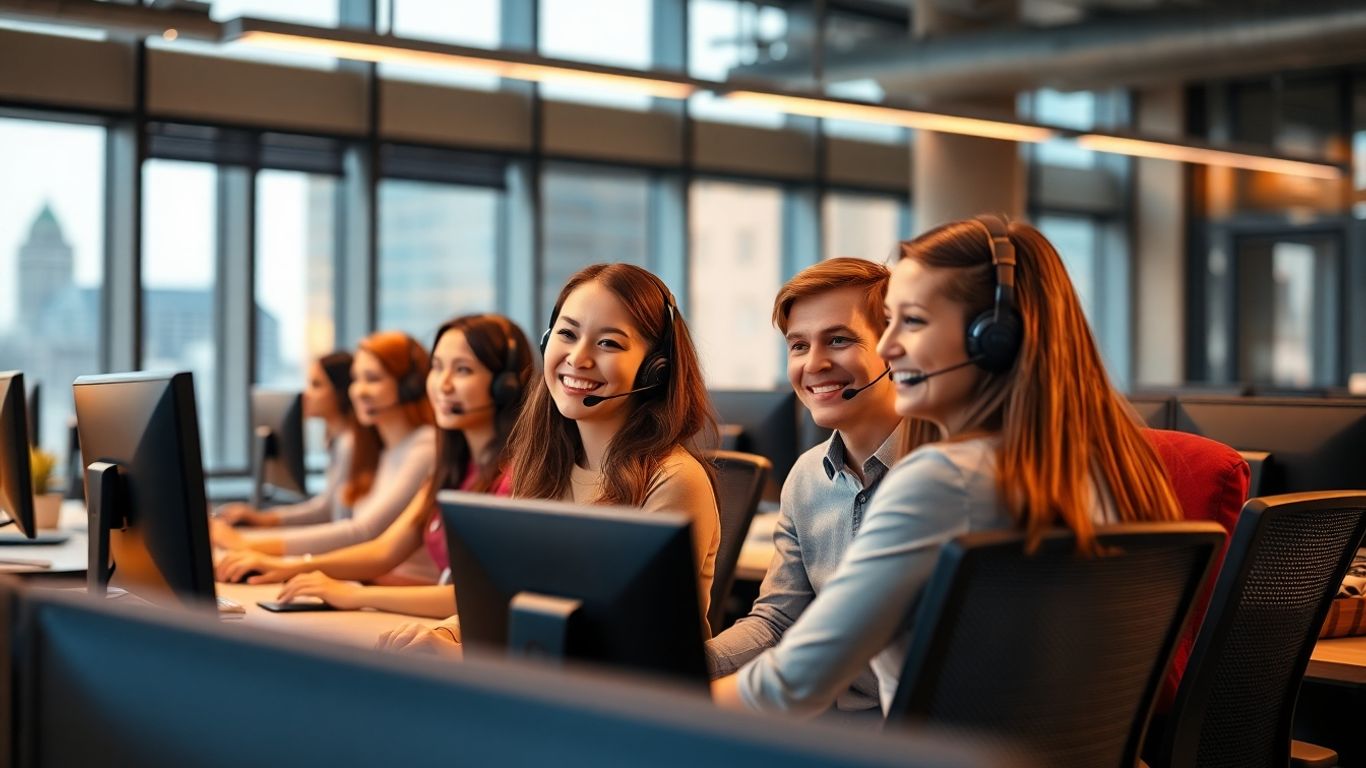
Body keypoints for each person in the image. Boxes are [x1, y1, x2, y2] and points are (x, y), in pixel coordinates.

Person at [712, 215, 1183, 716]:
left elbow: (793, 684)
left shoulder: (947, 478)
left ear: (994, 338)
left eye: (912, 321)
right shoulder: (1111, 463)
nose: (889, 347)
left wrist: (664, 700)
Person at [377, 263, 721, 654]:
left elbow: (625, 641)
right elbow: (511, 596)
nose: (578, 357)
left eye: (608, 343)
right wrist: (449, 633)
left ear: (655, 369)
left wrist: (461, 656)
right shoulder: (546, 463)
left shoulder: (673, 480)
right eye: (567, 334)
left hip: (629, 688)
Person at [215, 315, 534, 618]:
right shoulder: (452, 468)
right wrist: (287, 567)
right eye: (437, 368)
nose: (443, 384)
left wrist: (356, 595)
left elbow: (485, 595)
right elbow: (384, 550)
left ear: (505, 385)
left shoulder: (515, 479)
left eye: (462, 370)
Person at [706, 258, 902, 718]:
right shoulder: (807, 476)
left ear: (896, 349)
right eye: (798, 345)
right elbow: (777, 621)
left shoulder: (939, 477)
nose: (814, 363)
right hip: (827, 721)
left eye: (839, 339)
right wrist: (681, 666)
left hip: (916, 731)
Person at [213, 331, 438, 583]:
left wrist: (249, 544)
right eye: (356, 379)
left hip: (397, 589)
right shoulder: (379, 449)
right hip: (370, 583)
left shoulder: (424, 448)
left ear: (410, 387)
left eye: (373, 379)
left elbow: (362, 532)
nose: (359, 390)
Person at [216, 351, 357, 528]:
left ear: (341, 391)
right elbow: (326, 507)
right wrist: (263, 518)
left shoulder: (349, 444)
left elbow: (328, 512)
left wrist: (264, 522)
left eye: (316, 385)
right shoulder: (337, 441)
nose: (306, 394)